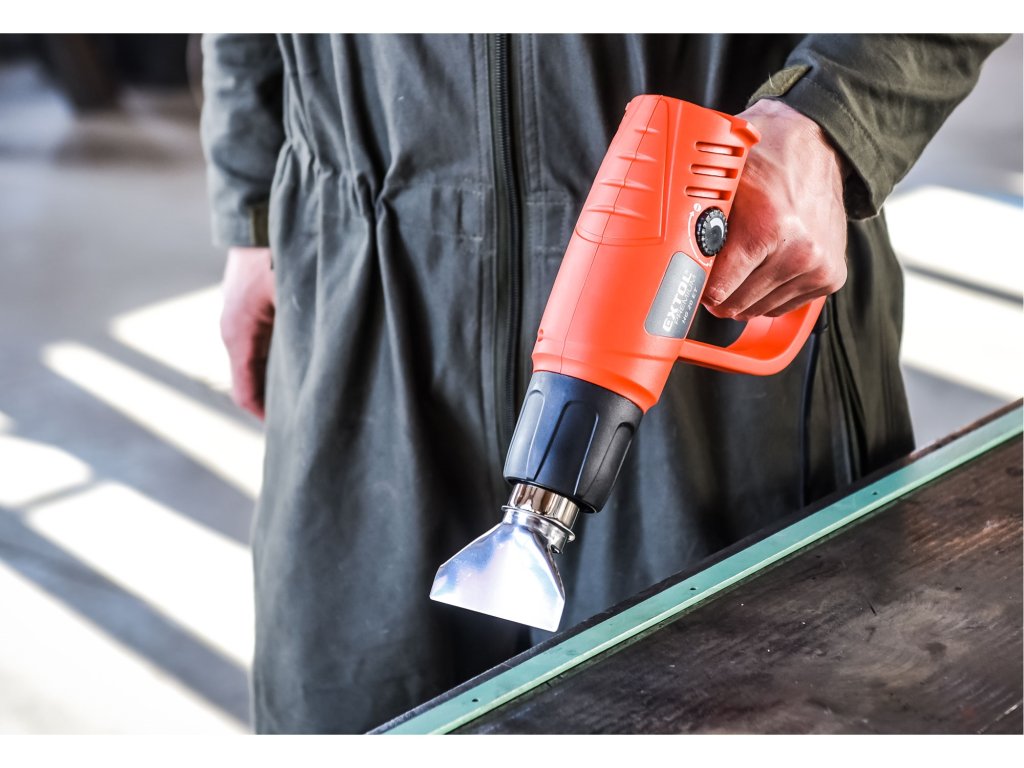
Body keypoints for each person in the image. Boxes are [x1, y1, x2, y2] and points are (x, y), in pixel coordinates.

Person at [200, 34, 1007, 733]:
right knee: (358, 705)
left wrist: (833, 113)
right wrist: (252, 207)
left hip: (713, 252)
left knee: (729, 708)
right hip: (366, 267)